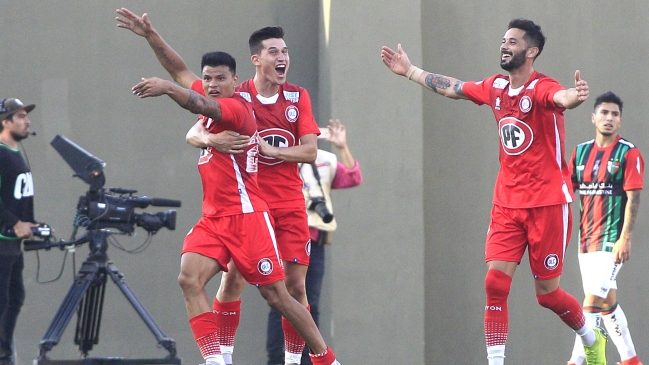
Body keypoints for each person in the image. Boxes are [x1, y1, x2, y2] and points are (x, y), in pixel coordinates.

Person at [382, 18, 606, 365]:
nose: (505, 46)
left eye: (513, 42)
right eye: (504, 40)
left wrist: (573, 97)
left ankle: (592, 339)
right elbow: (453, 87)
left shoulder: (543, 87)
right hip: (506, 203)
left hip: (547, 204)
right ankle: (496, 361)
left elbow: (560, 97)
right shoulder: (495, 86)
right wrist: (410, 71)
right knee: (494, 284)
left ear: (531, 51)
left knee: (547, 296)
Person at [117, 9, 320, 365]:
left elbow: (310, 151)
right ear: (256, 61)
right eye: (274, 51)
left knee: (293, 288)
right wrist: (201, 136)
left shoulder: (294, 97)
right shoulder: (234, 95)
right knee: (227, 281)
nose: (283, 57)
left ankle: (300, 360)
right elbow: (185, 80)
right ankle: (221, 356)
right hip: (242, 205)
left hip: (280, 200)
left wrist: (268, 147)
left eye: (284, 52)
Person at [267, 118, 363, 365]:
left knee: (310, 300)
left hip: (314, 237)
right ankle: (279, 358)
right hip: (283, 233)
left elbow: (352, 177)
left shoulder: (325, 159)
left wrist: (342, 147)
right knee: (281, 297)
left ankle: (310, 357)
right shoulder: (276, 154)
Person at [566, 92, 644, 365]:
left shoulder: (628, 153)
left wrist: (626, 238)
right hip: (585, 241)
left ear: (620, 121)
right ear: (593, 117)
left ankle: (576, 360)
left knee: (591, 304)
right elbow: (566, 191)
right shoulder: (581, 152)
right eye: (604, 113)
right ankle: (630, 359)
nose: (609, 118)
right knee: (608, 303)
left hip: (612, 241)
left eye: (614, 114)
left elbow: (634, 197)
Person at [0, 98, 38, 365]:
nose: (27, 121)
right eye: (21, 116)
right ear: (5, 122)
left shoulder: (15, 153)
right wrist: (14, 223)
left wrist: (31, 223)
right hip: (2, 238)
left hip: (13, 241)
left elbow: (18, 195)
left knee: (15, 298)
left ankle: (4, 352)